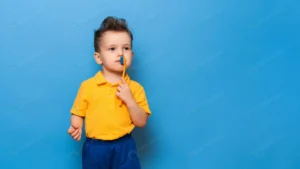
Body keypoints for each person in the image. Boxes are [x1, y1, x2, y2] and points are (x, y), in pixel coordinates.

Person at [67, 16, 151, 169]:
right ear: (98, 58)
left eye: (125, 48)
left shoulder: (136, 88)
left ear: (131, 56)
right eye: (112, 49)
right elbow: (78, 112)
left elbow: (141, 122)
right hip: (95, 148)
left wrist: (130, 100)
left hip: (125, 146)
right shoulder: (87, 86)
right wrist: (76, 125)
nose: (120, 53)